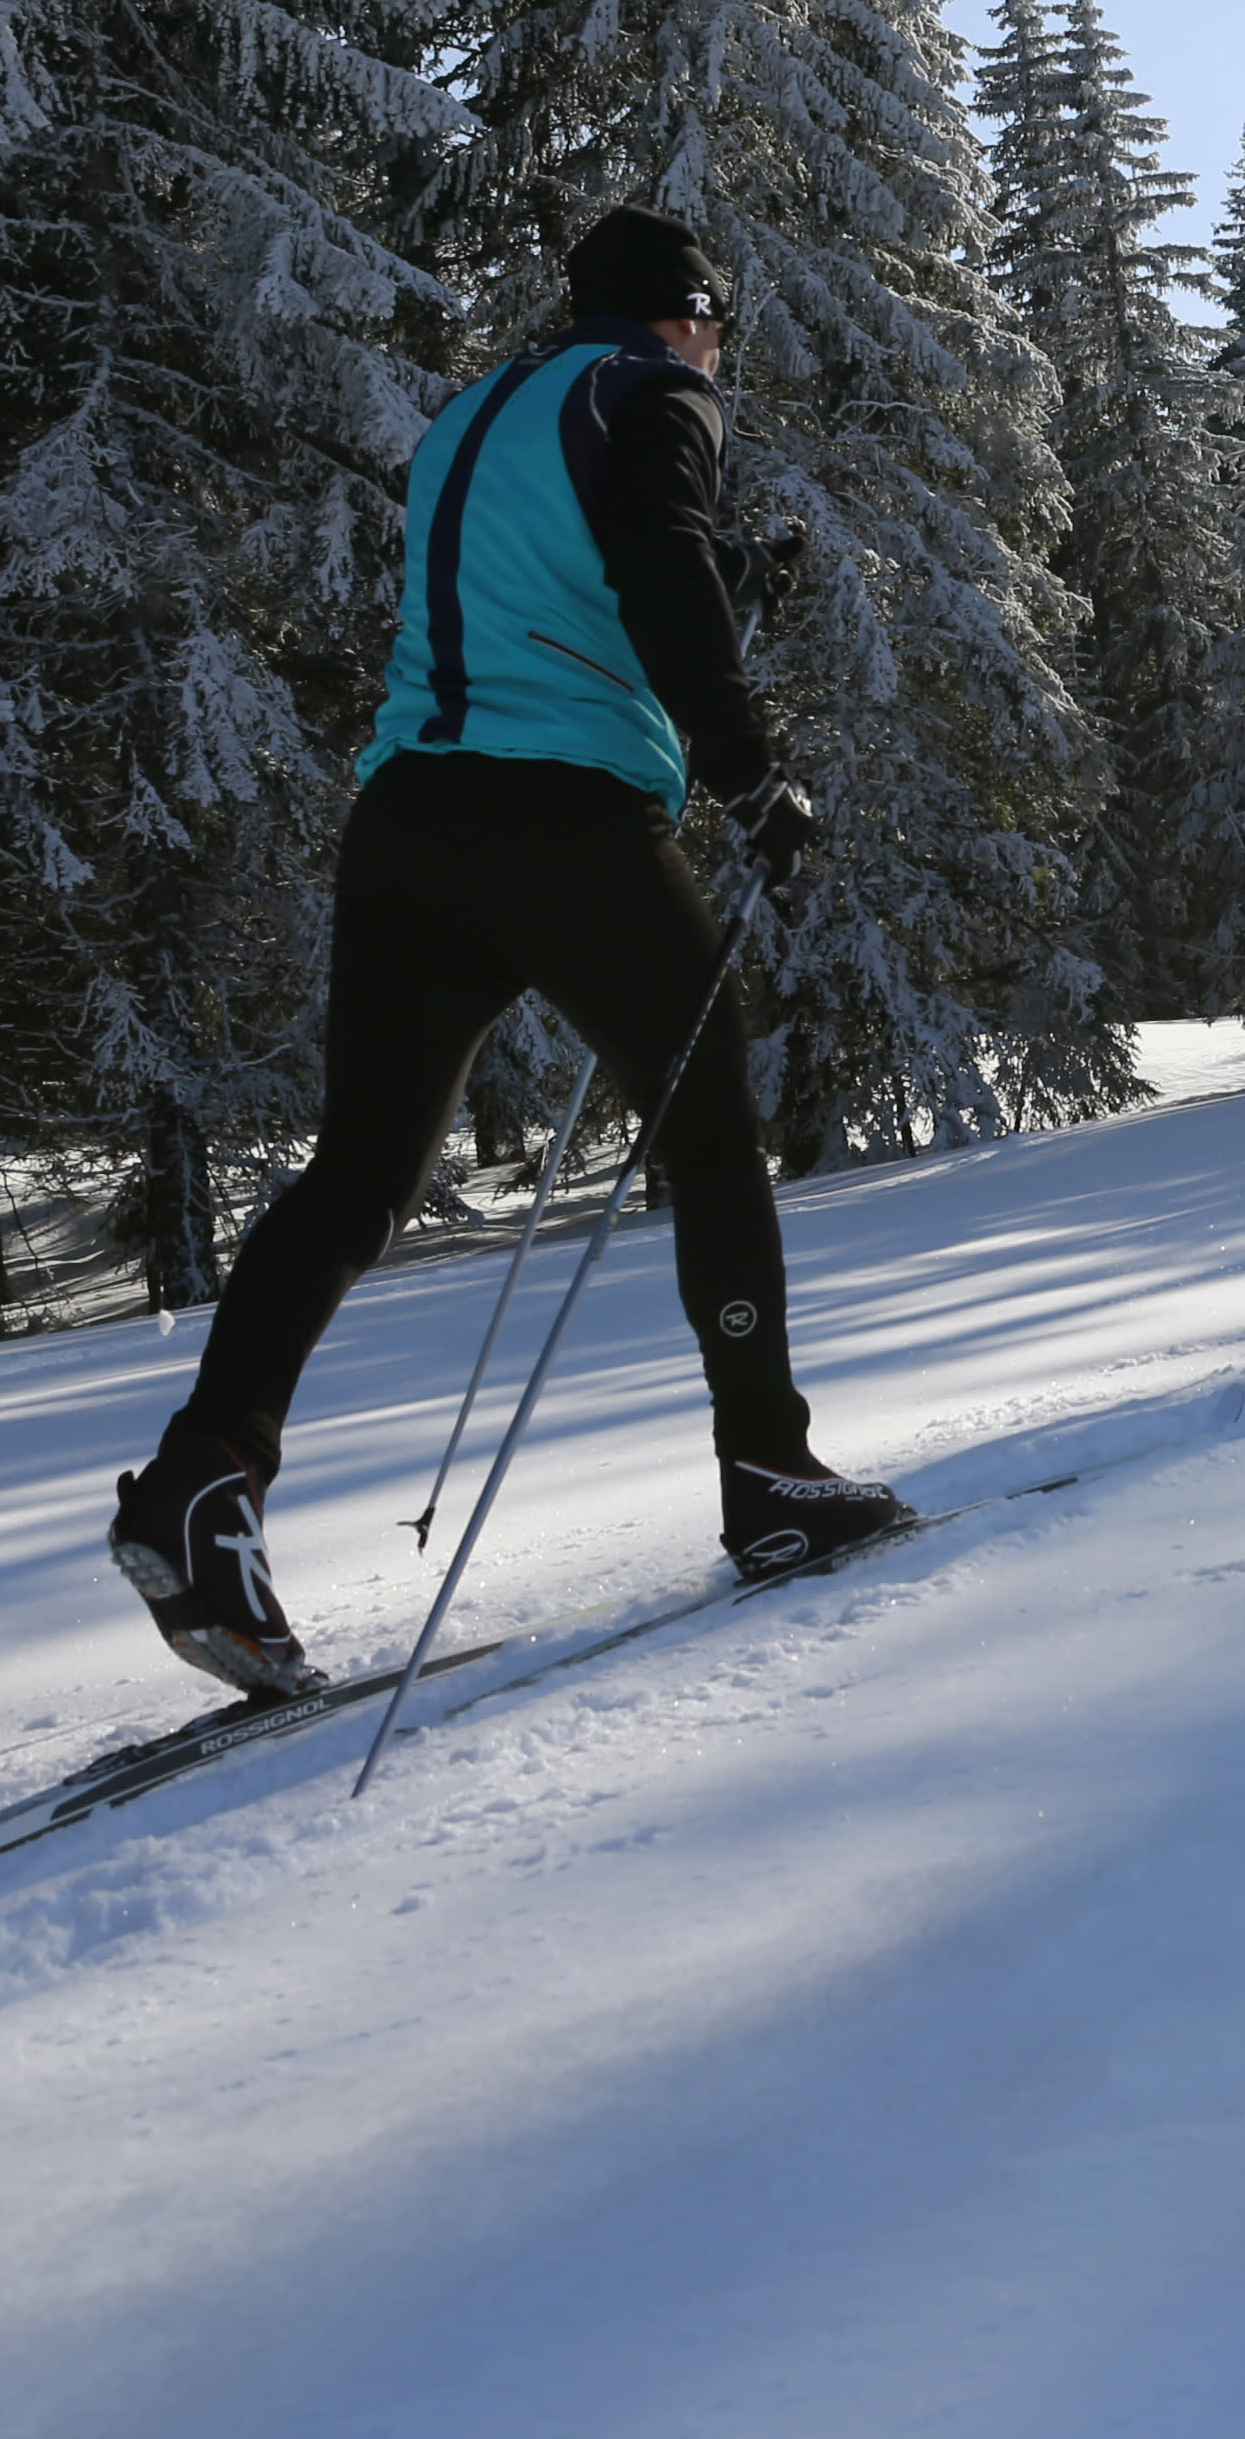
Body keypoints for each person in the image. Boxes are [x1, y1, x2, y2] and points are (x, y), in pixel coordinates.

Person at [104, 208, 905, 1701]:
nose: (719, 356)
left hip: (411, 818)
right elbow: (659, 567)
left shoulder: (478, 411)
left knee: (358, 1177)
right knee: (712, 1124)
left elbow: (564, 590)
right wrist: (749, 769)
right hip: (564, 820)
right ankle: (771, 1473)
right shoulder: (655, 392)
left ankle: (201, 1481)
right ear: (682, 316)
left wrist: (738, 599)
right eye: (715, 328)